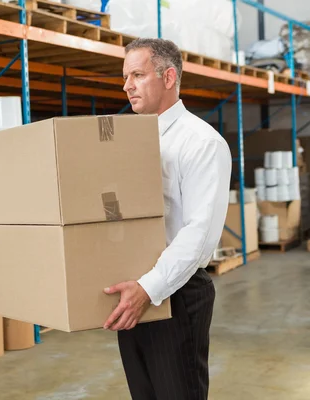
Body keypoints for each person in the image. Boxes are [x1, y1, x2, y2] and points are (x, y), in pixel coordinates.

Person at [102, 38, 232, 400]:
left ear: (169, 76)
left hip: (174, 294)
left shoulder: (201, 143)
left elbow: (199, 233)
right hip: (136, 291)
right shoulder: (129, 141)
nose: (126, 85)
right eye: (125, 76)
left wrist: (148, 289)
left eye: (138, 75)